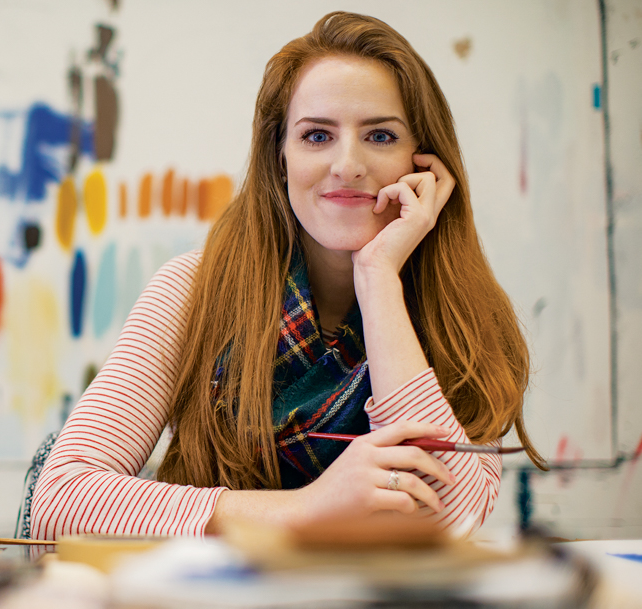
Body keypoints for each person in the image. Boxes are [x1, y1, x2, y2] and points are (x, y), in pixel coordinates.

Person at [30, 11, 545, 541]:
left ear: (424, 161)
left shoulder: (461, 313)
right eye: (317, 136)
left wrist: (378, 279)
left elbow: (452, 515)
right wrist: (308, 507)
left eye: (381, 135)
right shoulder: (193, 292)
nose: (347, 164)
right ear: (279, 159)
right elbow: (61, 497)